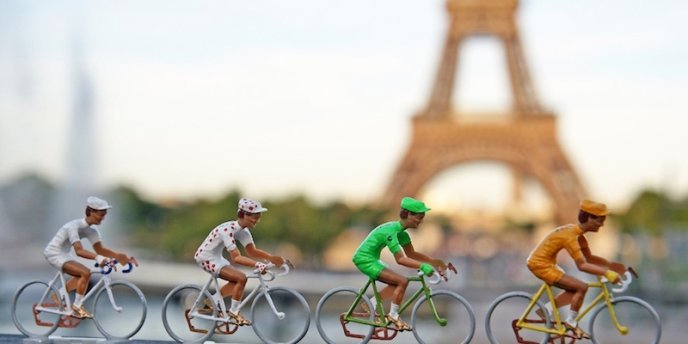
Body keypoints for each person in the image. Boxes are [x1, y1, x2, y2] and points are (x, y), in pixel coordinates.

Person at [526, 199, 626, 338]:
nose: (602, 224)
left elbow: (589, 258)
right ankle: (571, 323)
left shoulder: (578, 235)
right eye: (600, 220)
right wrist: (606, 273)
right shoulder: (571, 237)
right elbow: (582, 266)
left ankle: (546, 310)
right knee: (582, 287)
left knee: (574, 288)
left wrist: (610, 266)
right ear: (589, 218)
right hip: (540, 265)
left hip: (548, 263)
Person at [352, 196, 447, 331]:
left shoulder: (402, 234)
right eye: (419, 217)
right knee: (402, 281)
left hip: (373, 259)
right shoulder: (391, 232)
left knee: (396, 282)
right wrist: (421, 266)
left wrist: (433, 262)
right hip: (364, 259)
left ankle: (371, 304)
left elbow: (412, 255)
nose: (421, 221)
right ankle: (393, 315)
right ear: (407, 214)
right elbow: (400, 259)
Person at [194, 198, 289, 326]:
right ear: (243, 215)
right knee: (241, 278)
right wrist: (257, 264)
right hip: (205, 257)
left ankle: (210, 303)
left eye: (258, 217)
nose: (257, 220)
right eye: (254, 217)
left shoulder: (243, 231)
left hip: (217, 257)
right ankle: (234, 312)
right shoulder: (227, 230)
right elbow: (236, 258)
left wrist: (272, 258)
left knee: (236, 280)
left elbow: (252, 251)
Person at [43, 196, 139, 319]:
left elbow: (101, 250)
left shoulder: (92, 230)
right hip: (54, 253)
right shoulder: (72, 227)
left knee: (82, 274)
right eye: (101, 214)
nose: (103, 218)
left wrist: (122, 259)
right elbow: (79, 251)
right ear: (91, 212)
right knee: (85, 272)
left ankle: (59, 294)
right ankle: (77, 306)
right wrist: (99, 259)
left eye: (105, 214)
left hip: (65, 254)